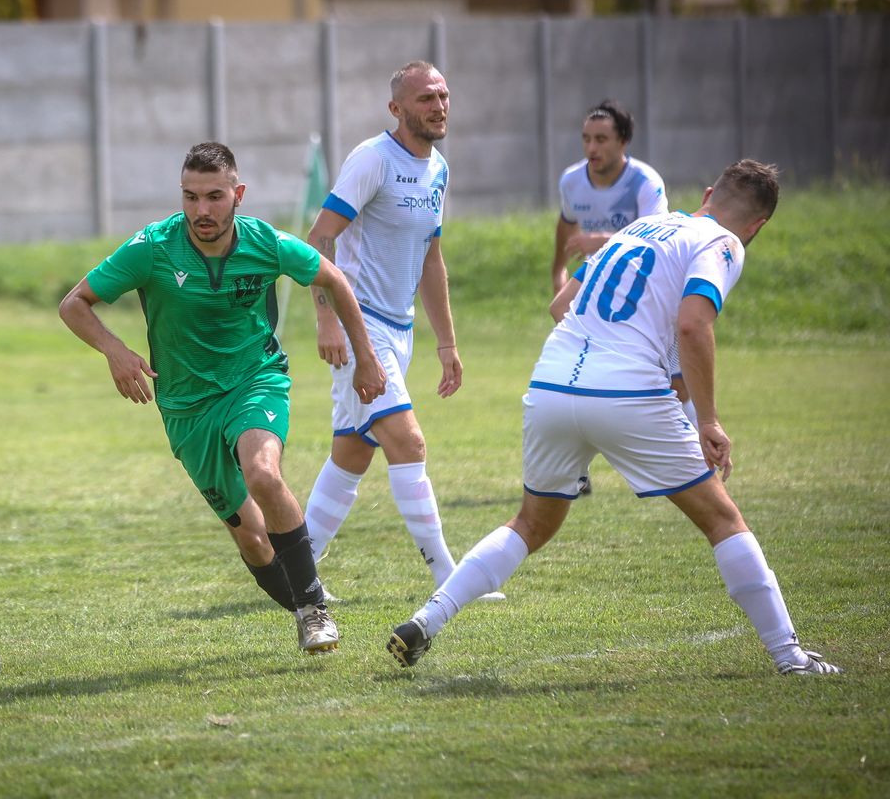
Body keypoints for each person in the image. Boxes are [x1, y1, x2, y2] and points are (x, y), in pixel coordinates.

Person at [388, 159, 841, 677]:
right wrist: (708, 421)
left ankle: (429, 618)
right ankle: (791, 657)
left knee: (530, 523)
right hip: (625, 392)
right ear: (759, 225)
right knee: (723, 520)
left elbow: (562, 304)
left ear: (710, 192)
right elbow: (693, 326)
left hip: (552, 384)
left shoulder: (638, 228)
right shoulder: (723, 243)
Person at [59, 142, 387, 654]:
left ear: (238, 194)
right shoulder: (153, 248)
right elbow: (74, 303)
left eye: (214, 197)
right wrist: (115, 351)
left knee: (262, 473)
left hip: (253, 379)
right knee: (253, 540)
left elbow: (332, 277)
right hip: (187, 408)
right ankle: (306, 601)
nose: (201, 211)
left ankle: (313, 611)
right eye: (190, 197)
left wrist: (365, 357)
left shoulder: (266, 243)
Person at [300, 60, 501, 602]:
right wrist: (327, 319)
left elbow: (431, 257)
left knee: (353, 452)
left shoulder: (438, 168)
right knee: (407, 441)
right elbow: (318, 241)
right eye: (425, 98)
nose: (438, 106)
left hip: (401, 329)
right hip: (360, 325)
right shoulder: (372, 159)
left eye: (443, 96)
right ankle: (449, 576)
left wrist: (447, 341)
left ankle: (295, 571)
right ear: (397, 109)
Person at [550, 100, 697, 435]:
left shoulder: (645, 182)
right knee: (571, 375)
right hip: (599, 293)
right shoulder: (572, 181)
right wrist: (558, 273)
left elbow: (658, 242)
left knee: (677, 385)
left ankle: (703, 455)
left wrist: (602, 239)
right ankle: (575, 473)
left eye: (601, 139)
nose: (591, 148)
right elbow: (565, 224)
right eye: (586, 139)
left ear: (623, 142)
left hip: (649, 293)